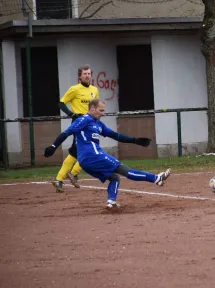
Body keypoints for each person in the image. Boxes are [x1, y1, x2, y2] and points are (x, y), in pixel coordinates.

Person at [44, 98, 171, 210]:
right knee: (125, 170)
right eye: (101, 110)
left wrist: (135, 140)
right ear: (92, 108)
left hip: (86, 162)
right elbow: (67, 133)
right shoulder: (83, 119)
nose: (103, 113)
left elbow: (115, 135)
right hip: (93, 155)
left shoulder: (98, 124)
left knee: (114, 177)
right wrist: (53, 146)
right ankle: (156, 178)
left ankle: (111, 202)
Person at [52, 64, 100, 193]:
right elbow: (61, 103)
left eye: (89, 73)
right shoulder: (74, 89)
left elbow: (96, 107)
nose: (87, 75)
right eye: (84, 73)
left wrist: (97, 119)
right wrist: (71, 114)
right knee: (85, 150)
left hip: (91, 123)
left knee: (78, 151)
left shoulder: (94, 90)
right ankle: (68, 175)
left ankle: (63, 177)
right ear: (79, 76)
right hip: (79, 122)